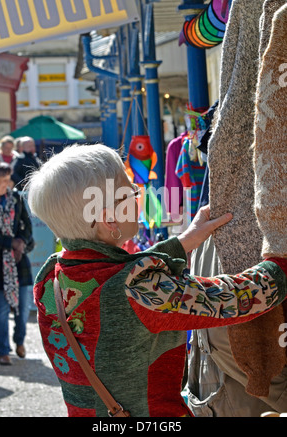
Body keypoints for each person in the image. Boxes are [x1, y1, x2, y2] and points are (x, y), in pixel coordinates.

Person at [26, 144, 287, 417]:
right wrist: (281, 263)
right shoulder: (140, 288)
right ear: (109, 219)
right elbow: (236, 299)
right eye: (131, 194)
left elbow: (111, 277)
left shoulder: (49, 278)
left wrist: (182, 243)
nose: (138, 200)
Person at [0, 161, 34, 365]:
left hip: (19, 260)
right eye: (4, 180)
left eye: (9, 179)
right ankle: (2, 351)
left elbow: (27, 224)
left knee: (24, 307)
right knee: (1, 309)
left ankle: (19, 340)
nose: (9, 183)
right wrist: (9, 242)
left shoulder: (15, 198)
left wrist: (21, 242)